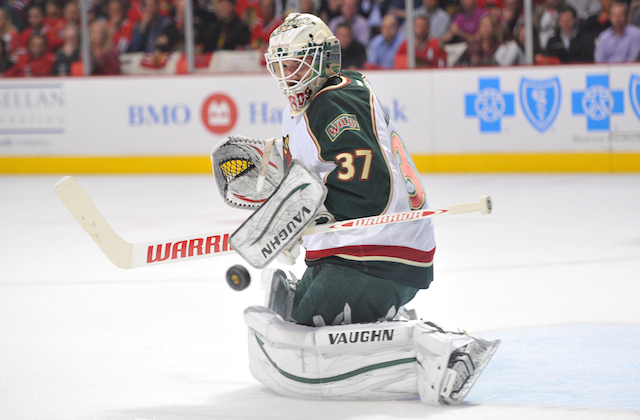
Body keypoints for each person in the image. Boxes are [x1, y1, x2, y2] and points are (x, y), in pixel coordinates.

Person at [235, 12, 500, 407]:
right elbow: (333, 164)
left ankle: (447, 348)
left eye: (295, 63)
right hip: (372, 247)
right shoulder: (344, 89)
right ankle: (340, 303)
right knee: (301, 307)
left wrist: (309, 213)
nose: (287, 75)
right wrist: (286, 164)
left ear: (322, 59)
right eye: (280, 66)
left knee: (309, 322)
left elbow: (373, 190)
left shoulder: (329, 108)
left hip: (379, 253)